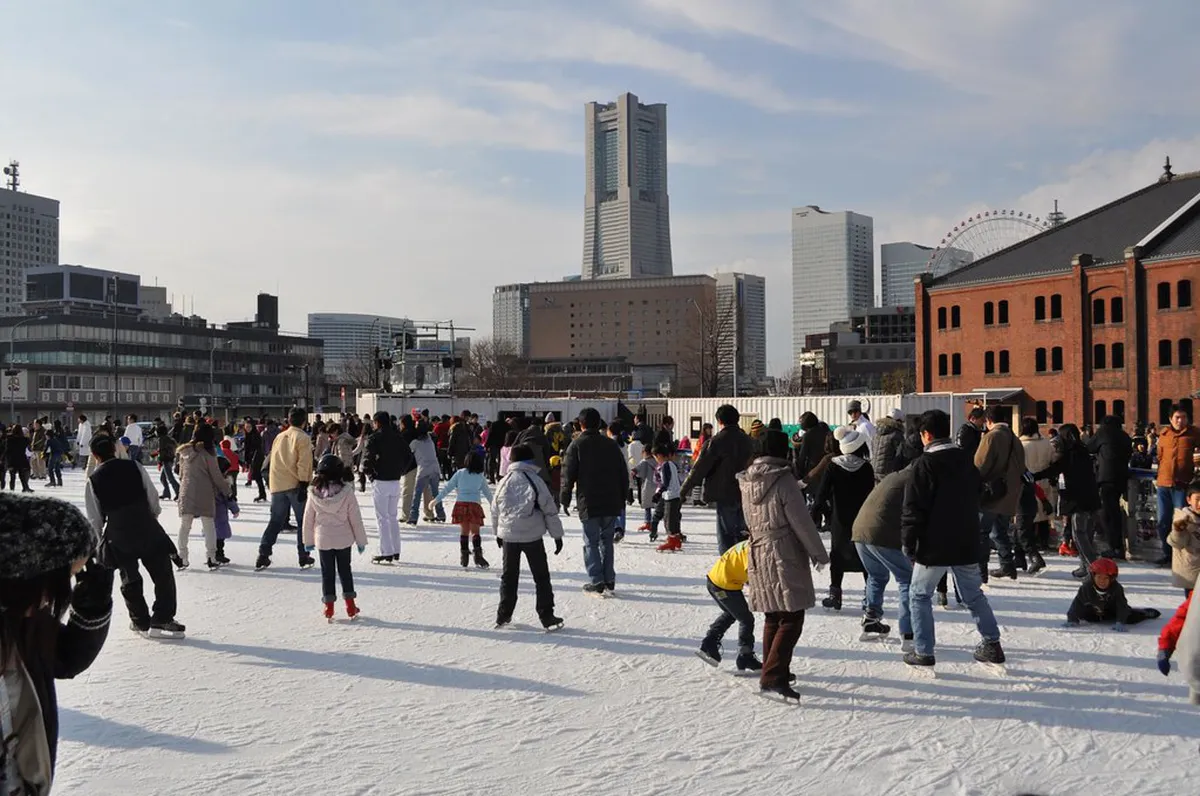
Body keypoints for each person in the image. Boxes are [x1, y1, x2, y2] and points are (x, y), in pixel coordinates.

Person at [0, 493, 113, 793]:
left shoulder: (20, 620)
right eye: (58, 582)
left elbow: (64, 658)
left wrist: (93, 606)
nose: (50, 600)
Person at [901, 409, 1005, 668]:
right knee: (973, 595)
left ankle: (924, 650)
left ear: (926, 435)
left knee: (919, 595)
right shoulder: (965, 459)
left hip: (934, 544)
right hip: (966, 539)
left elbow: (913, 508)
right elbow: (979, 494)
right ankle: (992, 643)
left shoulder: (924, 464)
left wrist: (908, 542)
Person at [740, 429, 829, 702]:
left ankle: (773, 668)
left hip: (758, 549)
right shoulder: (783, 480)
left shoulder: (746, 480)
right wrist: (819, 554)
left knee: (773, 614)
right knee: (791, 616)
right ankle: (773, 676)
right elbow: (801, 521)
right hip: (783, 551)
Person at [84, 434, 184, 637]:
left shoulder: (93, 480)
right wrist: (152, 515)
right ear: (114, 449)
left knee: (130, 577)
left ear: (95, 455)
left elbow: (95, 518)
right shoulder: (134, 467)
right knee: (162, 573)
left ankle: (140, 621)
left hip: (118, 532)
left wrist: (99, 540)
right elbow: (152, 496)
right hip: (146, 525)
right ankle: (163, 617)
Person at [493, 443, 565, 630]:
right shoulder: (535, 480)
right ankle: (546, 615)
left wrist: (498, 533)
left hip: (509, 537)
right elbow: (549, 508)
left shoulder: (504, 481)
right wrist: (557, 535)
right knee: (541, 577)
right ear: (529, 460)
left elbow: (495, 509)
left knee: (509, 577)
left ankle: (503, 614)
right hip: (532, 537)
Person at [561, 407, 629, 596]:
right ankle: (609, 579)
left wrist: (564, 498)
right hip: (611, 499)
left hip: (589, 500)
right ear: (599, 423)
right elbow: (623, 472)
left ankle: (597, 579)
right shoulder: (611, 445)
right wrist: (623, 497)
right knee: (607, 540)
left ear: (581, 424)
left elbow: (568, 474)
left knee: (591, 541)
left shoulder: (577, 445)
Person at [853, 467, 917, 648]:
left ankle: (871, 620)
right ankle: (908, 633)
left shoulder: (894, 476)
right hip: (881, 533)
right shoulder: (914, 480)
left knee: (876, 576)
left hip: (860, 531)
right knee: (907, 580)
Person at [813, 427, 873, 610]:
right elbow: (871, 494)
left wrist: (818, 513)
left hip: (839, 518)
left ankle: (835, 595)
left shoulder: (833, 466)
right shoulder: (866, 467)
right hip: (862, 518)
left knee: (838, 555)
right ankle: (869, 597)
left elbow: (821, 494)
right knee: (865, 556)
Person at [681, 404, 754, 554]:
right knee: (743, 534)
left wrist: (683, 491)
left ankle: (728, 565)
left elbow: (699, 469)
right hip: (747, 492)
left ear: (720, 421)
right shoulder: (750, 441)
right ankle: (744, 563)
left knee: (726, 535)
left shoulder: (715, 442)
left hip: (724, 492)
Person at [303, 455, 368, 622]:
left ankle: (329, 607)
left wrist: (308, 541)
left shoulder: (314, 493)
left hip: (323, 539)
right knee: (345, 571)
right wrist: (361, 541)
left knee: (327, 573)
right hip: (343, 539)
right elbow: (355, 519)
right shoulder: (347, 493)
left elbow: (308, 519)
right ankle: (350, 606)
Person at [1032, 424, 1101, 579]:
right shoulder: (1083, 451)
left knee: (1079, 534)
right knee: (1087, 534)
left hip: (1078, 500)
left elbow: (1054, 469)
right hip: (1090, 498)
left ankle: (1093, 567)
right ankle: (1085, 565)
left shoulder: (1070, 454)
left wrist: (1034, 476)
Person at [256, 408, 316, 572]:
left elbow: (272, 459)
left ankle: (263, 553)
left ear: (289, 420)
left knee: (275, 521)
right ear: (304, 421)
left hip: (278, 483)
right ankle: (303, 555)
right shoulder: (302, 437)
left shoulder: (280, 436)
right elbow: (303, 462)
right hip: (295, 484)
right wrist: (304, 483)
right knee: (302, 521)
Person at [975, 405, 1026, 581]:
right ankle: (1007, 566)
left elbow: (980, 466)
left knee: (981, 533)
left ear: (988, 420)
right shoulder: (1014, 438)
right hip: (1010, 493)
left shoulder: (991, 437)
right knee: (1000, 531)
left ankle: (981, 571)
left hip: (991, 494)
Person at [696, 540, 762, 673]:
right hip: (724, 585)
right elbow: (753, 577)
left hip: (715, 580)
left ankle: (709, 642)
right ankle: (745, 656)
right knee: (746, 619)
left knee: (732, 613)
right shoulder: (755, 550)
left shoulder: (751, 543)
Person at [175, 423, 231, 571]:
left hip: (186, 490)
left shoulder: (184, 452)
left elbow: (181, 474)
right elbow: (216, 476)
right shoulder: (208, 453)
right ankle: (211, 557)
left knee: (185, 525)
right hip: (205, 492)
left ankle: (182, 556)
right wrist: (227, 490)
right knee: (208, 525)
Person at [360, 411, 413, 565]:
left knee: (382, 518)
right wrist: (401, 471)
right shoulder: (398, 437)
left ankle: (386, 551)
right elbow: (409, 456)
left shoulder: (374, 438)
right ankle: (396, 550)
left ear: (377, 422)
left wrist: (370, 475)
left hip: (380, 480)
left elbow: (367, 459)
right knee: (392, 516)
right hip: (395, 480)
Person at [1154, 405, 1200, 566]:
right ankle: (1167, 553)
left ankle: (1181, 555)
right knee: (1162, 521)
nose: (1180, 421)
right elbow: (1159, 457)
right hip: (1163, 483)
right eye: (1177, 418)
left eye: (1184, 417)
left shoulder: (1194, 434)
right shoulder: (1164, 434)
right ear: (1170, 419)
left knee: (1183, 521)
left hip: (1183, 484)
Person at [435, 451, 494, 569]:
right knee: (475, 532)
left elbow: (448, 487)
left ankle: (464, 556)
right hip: (474, 505)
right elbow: (488, 493)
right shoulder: (480, 476)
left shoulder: (459, 473)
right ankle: (478, 555)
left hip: (461, 505)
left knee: (464, 531)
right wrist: (494, 505)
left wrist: (436, 500)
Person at [1065, 557, 1160, 629]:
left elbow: (1121, 605)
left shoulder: (1116, 588)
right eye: (1099, 577)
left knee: (1129, 617)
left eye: (1105, 578)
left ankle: (1145, 613)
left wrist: (1120, 621)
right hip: (1093, 612)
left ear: (1111, 579)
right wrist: (1072, 619)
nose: (1102, 581)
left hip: (1112, 611)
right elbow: (1077, 604)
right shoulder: (1086, 588)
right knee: (1083, 613)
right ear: (1093, 577)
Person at [1087, 415, 1133, 559]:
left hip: (1106, 477)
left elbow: (1089, 447)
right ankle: (1119, 545)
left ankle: (1115, 547)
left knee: (1108, 513)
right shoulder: (1125, 436)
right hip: (1122, 478)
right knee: (1116, 512)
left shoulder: (1103, 432)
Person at [1017, 418, 1054, 574]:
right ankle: (1043, 541)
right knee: (1043, 515)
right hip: (1043, 480)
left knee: (1025, 521)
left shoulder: (1020, 445)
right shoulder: (1046, 443)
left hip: (1026, 482)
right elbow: (1052, 460)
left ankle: (1028, 553)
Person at [408, 418, 445, 525]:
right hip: (435, 468)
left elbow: (409, 452)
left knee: (417, 494)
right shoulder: (430, 440)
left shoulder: (415, 443)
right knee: (435, 493)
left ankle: (413, 516)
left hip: (423, 469)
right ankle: (441, 514)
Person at [651, 443, 684, 550]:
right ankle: (676, 540)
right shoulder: (672, 464)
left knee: (669, 520)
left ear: (659, 455)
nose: (656, 460)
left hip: (671, 496)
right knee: (673, 518)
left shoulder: (665, 465)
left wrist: (658, 493)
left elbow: (665, 482)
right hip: (675, 495)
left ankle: (672, 541)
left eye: (656, 457)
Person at [1169, 482, 1200, 593]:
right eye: (1197, 499)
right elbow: (1176, 543)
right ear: (1189, 500)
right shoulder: (1182, 519)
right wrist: (1178, 531)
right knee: (1192, 602)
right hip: (1191, 572)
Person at [870, 408, 913, 483]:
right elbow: (901, 454)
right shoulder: (896, 434)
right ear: (898, 421)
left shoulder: (876, 433)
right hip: (887, 473)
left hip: (873, 471)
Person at [212, 456, 239, 565]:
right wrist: (235, 510)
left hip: (209, 512)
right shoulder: (224, 484)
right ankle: (219, 554)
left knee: (212, 535)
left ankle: (211, 555)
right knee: (219, 537)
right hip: (220, 514)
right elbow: (229, 499)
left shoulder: (208, 481)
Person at [242, 419, 267, 503]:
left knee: (257, 476)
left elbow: (257, 447)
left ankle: (262, 493)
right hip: (252, 458)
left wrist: (252, 458)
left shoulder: (255, 435)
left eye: (249, 427)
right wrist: (247, 460)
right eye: (246, 427)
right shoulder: (247, 435)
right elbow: (247, 449)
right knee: (257, 476)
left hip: (257, 458)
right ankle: (262, 493)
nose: (247, 428)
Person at [5, 424, 32, 492]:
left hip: (12, 459)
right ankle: (25, 488)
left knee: (12, 477)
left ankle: (12, 490)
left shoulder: (9, 439)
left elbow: (7, 450)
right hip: (21, 459)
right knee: (22, 476)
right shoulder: (24, 440)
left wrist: (7, 460)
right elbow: (29, 442)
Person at [45, 423, 67, 488]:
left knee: (50, 469)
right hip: (59, 455)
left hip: (54, 455)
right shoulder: (56, 439)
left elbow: (46, 449)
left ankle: (52, 481)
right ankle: (60, 482)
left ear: (48, 435)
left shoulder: (49, 440)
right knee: (57, 469)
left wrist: (43, 455)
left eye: (46, 435)